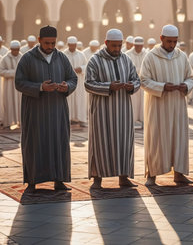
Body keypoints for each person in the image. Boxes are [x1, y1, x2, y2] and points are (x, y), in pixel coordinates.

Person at [15, 25, 77, 191]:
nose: (50, 46)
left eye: (53, 43)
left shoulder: (61, 58)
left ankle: (59, 179)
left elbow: (73, 78)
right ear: (39, 40)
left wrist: (67, 87)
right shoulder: (27, 59)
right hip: (36, 111)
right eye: (47, 43)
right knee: (35, 142)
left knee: (59, 141)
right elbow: (19, 83)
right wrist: (40, 87)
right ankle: (32, 181)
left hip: (57, 110)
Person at [85, 29, 140, 189]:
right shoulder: (95, 61)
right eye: (114, 46)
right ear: (106, 43)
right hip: (102, 112)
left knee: (124, 143)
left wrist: (131, 86)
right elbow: (88, 83)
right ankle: (97, 179)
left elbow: (136, 80)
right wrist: (109, 86)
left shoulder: (127, 60)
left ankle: (124, 177)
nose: (117, 49)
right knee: (100, 143)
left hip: (123, 110)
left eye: (119, 46)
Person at [140, 24, 193, 186]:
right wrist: (163, 87)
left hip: (178, 105)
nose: (172, 45)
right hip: (158, 106)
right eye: (169, 41)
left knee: (179, 138)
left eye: (175, 42)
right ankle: (152, 174)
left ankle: (179, 173)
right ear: (161, 39)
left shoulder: (182, 56)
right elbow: (143, 81)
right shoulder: (151, 56)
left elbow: (191, 77)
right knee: (157, 138)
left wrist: (185, 85)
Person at [63, 36, 88, 127]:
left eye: (74, 45)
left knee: (80, 99)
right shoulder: (63, 54)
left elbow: (86, 66)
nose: (72, 47)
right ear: (68, 44)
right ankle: (68, 119)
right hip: (67, 81)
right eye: (71, 45)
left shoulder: (81, 54)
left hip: (79, 82)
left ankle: (81, 119)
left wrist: (81, 69)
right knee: (68, 100)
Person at [0, 40, 22, 129]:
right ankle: (8, 123)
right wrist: (13, 73)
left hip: (20, 85)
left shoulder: (23, 57)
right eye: (14, 50)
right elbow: (0, 71)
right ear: (11, 49)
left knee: (20, 103)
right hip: (8, 85)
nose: (15, 51)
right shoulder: (5, 58)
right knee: (8, 103)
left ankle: (21, 121)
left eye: (17, 49)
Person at [125, 36, 147, 126]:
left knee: (143, 101)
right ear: (133, 45)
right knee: (133, 101)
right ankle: (132, 120)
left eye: (140, 46)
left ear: (142, 46)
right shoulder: (127, 54)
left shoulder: (146, 54)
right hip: (132, 82)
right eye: (137, 46)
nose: (139, 48)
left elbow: (147, 68)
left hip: (143, 82)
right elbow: (128, 68)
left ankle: (143, 120)